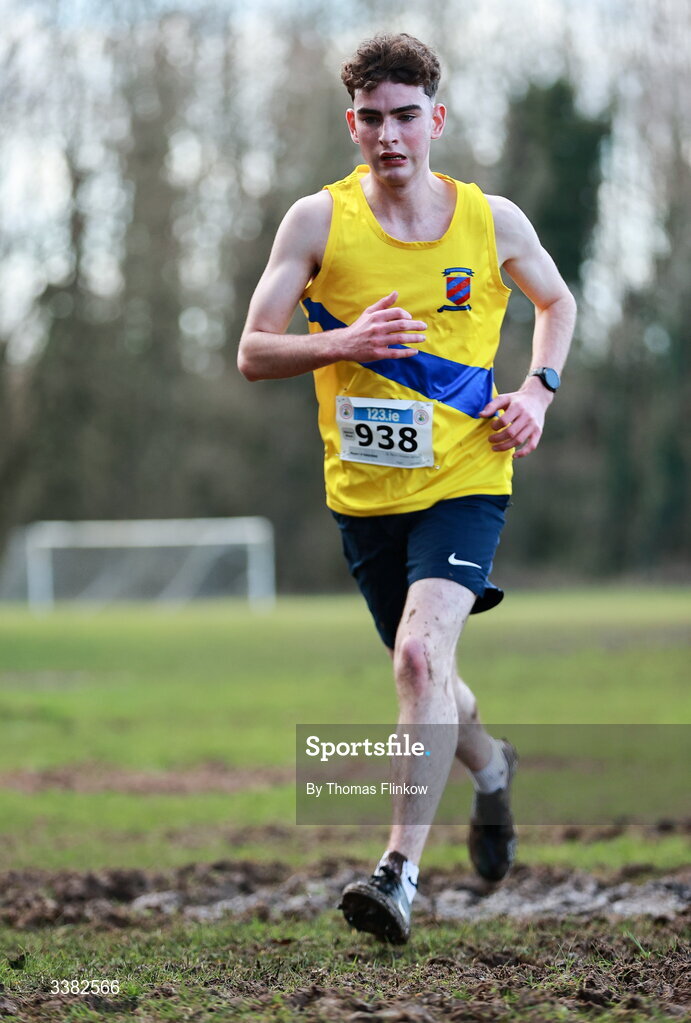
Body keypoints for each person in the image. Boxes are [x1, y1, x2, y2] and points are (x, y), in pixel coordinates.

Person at [238, 33, 576, 945]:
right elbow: (253, 351)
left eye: (405, 116)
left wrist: (536, 393)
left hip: (468, 479)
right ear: (353, 125)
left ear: (437, 118)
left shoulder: (490, 219)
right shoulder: (316, 222)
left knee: (419, 662)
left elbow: (557, 303)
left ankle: (395, 875)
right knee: (434, 678)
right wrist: (341, 343)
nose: (389, 136)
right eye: (372, 120)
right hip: (364, 497)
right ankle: (492, 764)